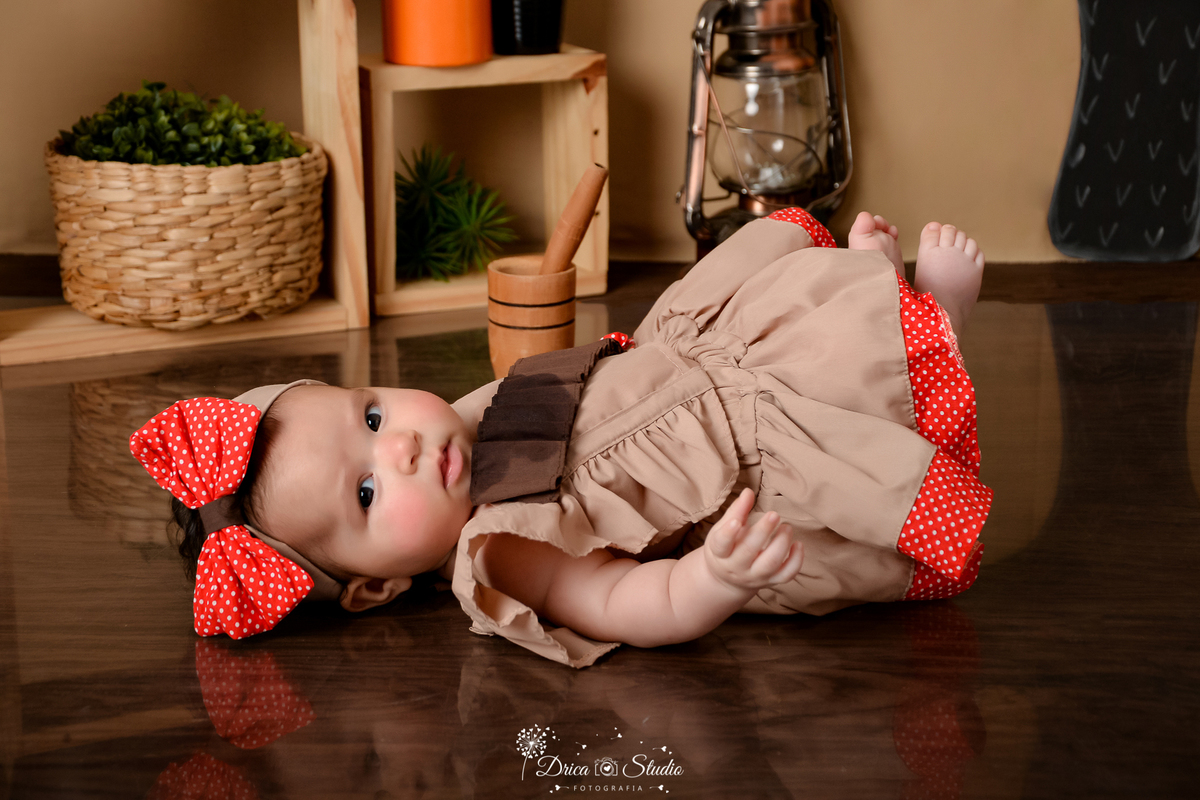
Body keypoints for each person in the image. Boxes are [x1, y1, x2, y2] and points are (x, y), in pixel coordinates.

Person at [131, 208, 991, 667]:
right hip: (753, 472)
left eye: (372, 415)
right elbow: (624, 605)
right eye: (366, 494)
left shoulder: (459, 421)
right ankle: (933, 322)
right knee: (844, 384)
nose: (400, 449)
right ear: (372, 591)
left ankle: (878, 291)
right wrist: (712, 578)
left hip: (701, 362)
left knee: (800, 296)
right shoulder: (502, 546)